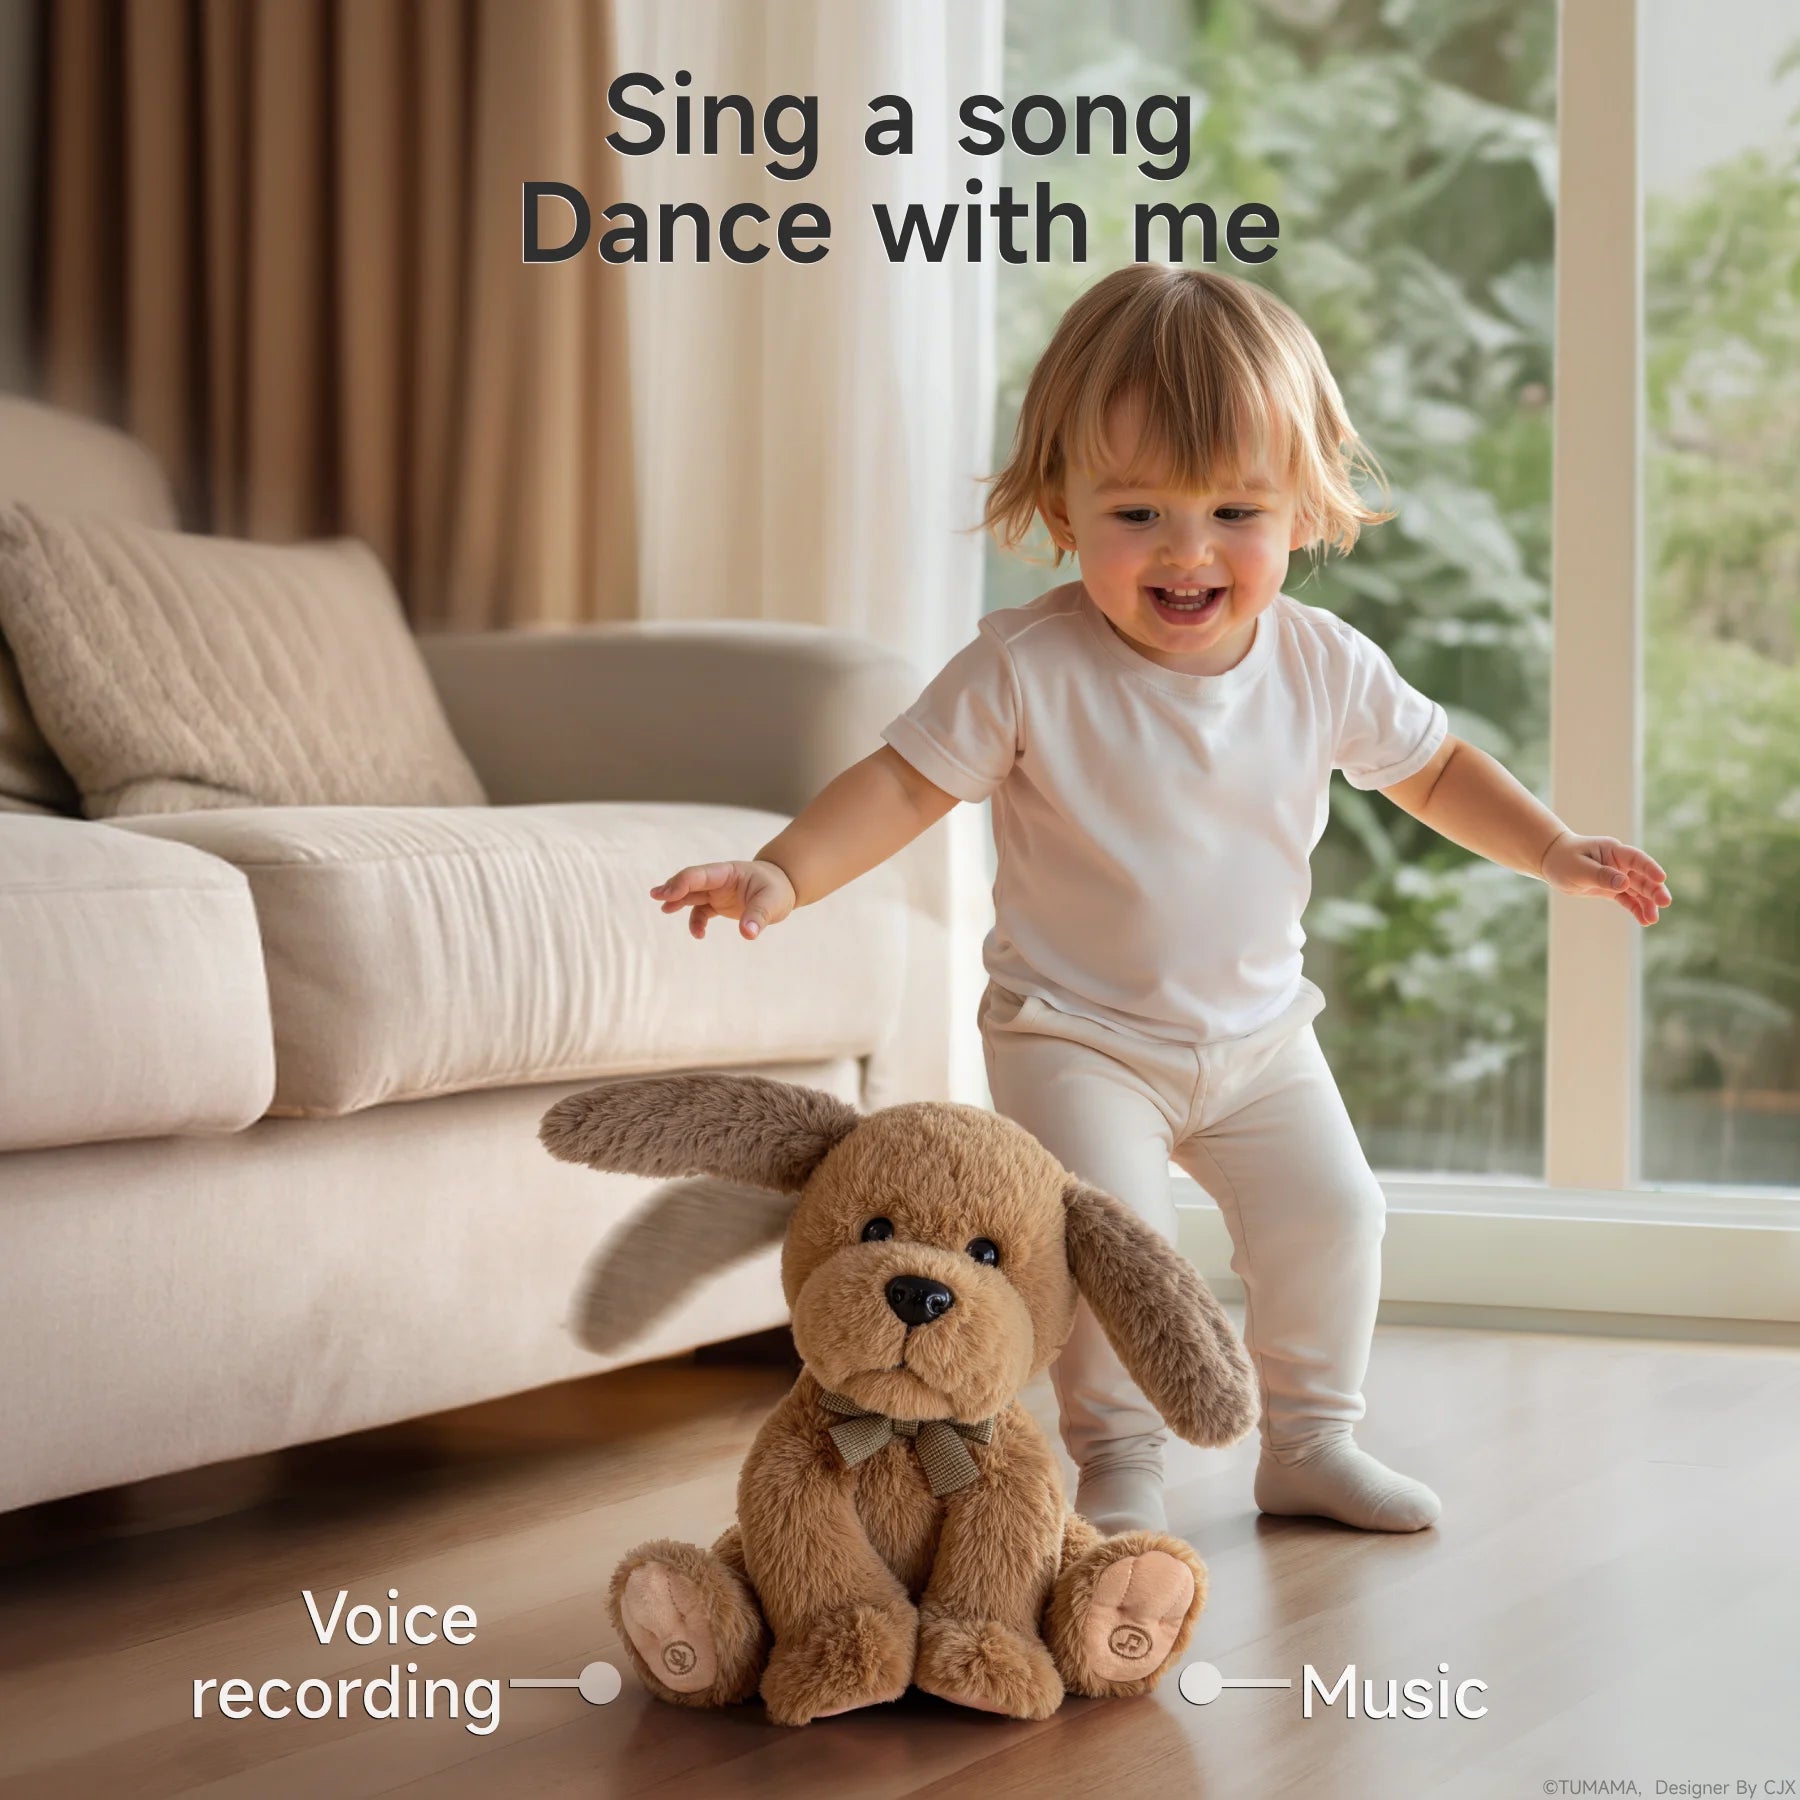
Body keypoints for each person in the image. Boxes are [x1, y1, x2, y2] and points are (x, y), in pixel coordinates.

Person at [647, 263, 1671, 1537]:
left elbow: (1437, 770)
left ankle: (1310, 1439)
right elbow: (902, 786)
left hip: (1258, 1040)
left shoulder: (1320, 661)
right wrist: (782, 872)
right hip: (1075, 1033)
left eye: (1236, 508)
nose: (1188, 551)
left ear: (1303, 510)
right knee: (1113, 1242)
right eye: (1137, 511)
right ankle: (1118, 1459)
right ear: (1062, 511)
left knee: (1336, 1217)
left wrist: (1553, 847)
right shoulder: (1026, 667)